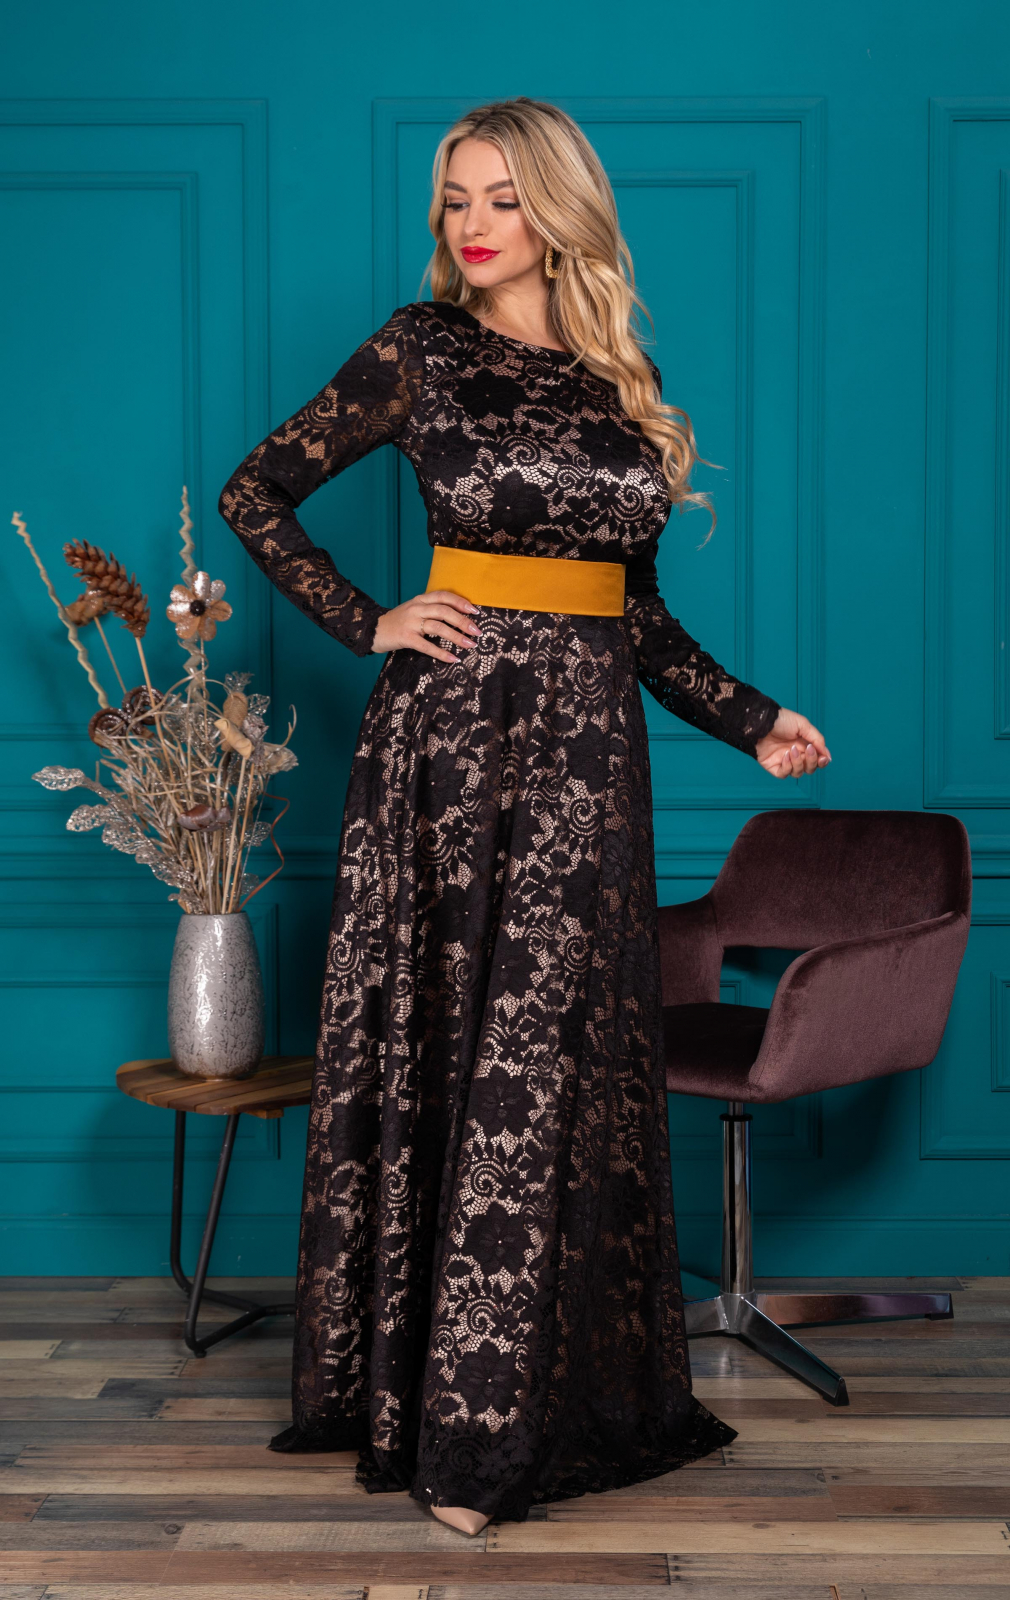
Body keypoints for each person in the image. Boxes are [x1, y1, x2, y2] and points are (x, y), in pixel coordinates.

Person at [218, 95, 830, 1536]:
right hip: (452, 749)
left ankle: (529, 1405)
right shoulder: (420, 348)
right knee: (465, 1057)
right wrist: (370, 620)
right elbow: (258, 493)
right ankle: (464, 1444)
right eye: (455, 198)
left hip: (591, 768)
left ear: (560, 209)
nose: (474, 224)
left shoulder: (623, 377)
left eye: (502, 196)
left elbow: (636, 614)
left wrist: (751, 718)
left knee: (550, 1065)